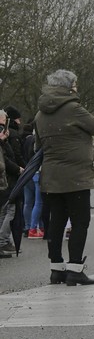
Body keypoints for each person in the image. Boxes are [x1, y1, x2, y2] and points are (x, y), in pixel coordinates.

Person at [34, 70, 94, 285]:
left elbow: (38, 145)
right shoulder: (74, 108)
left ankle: (56, 268)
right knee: (80, 221)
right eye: (75, 84)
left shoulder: (39, 114)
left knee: (56, 222)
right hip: (76, 176)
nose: (77, 87)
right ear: (69, 86)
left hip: (51, 176)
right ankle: (75, 269)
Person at [0, 110, 23, 257]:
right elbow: (6, 160)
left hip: (6, 178)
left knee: (5, 210)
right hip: (6, 179)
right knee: (9, 210)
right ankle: (3, 241)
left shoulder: (6, 136)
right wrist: (19, 169)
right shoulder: (4, 134)